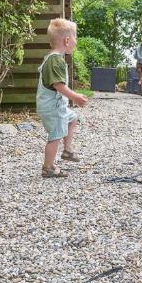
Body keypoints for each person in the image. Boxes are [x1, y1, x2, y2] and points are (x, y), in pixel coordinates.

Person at [36, 18, 88, 178]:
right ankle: (48, 167)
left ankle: (68, 150)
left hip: (56, 106)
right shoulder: (55, 61)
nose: (75, 42)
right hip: (53, 107)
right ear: (66, 40)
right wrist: (76, 97)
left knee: (73, 118)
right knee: (55, 136)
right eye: (75, 39)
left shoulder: (53, 59)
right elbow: (59, 85)